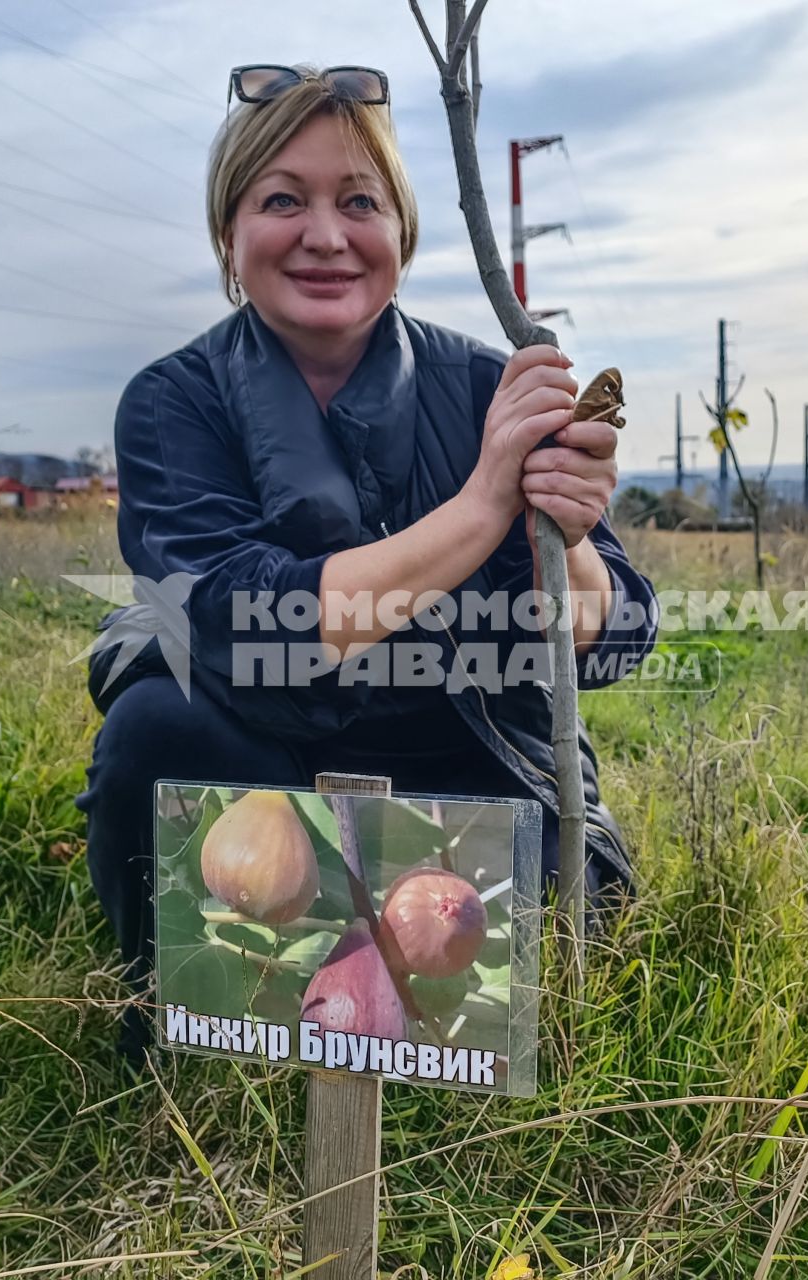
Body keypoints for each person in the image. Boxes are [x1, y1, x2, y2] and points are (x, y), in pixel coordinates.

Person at [73, 63, 660, 1063]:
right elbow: (249, 622)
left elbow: (613, 641)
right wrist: (482, 505)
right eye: (281, 201)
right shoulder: (175, 403)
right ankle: (178, 1027)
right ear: (228, 233)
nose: (325, 235)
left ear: (403, 232)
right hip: (262, 754)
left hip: (469, 754)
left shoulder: (489, 387)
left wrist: (564, 535)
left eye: (359, 202)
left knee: (554, 966)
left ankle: (372, 999)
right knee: (154, 727)